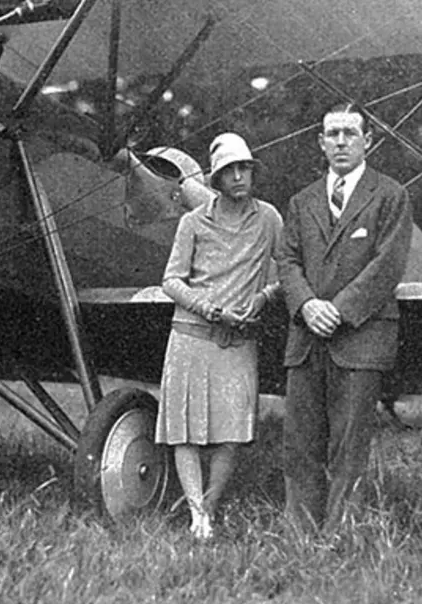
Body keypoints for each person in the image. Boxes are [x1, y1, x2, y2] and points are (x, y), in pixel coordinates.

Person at [278, 102, 413, 534]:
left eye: (349, 134)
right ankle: (300, 537)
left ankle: (339, 537)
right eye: (331, 134)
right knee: (300, 444)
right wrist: (305, 305)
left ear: (367, 141)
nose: (340, 142)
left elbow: (387, 264)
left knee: (349, 446)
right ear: (320, 142)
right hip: (306, 339)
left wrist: (338, 309)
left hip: (360, 339)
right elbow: (287, 259)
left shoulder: (390, 195)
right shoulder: (301, 202)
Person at [155, 132, 283, 540]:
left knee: (232, 432)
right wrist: (205, 307)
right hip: (191, 334)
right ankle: (197, 517)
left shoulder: (269, 219)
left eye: (245, 168)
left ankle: (209, 506)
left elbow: (286, 269)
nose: (240, 176)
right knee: (184, 431)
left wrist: (263, 297)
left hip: (238, 337)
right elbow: (171, 280)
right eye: (230, 171)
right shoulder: (192, 222)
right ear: (217, 179)